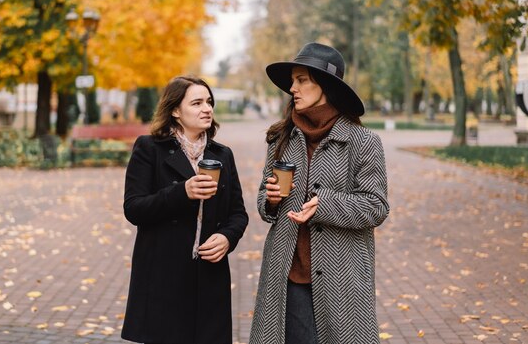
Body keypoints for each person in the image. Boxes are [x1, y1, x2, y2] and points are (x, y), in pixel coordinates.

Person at [249, 43, 389, 344]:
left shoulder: (362, 141)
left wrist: (324, 204)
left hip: (343, 278)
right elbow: (263, 202)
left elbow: (376, 206)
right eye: (292, 81)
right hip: (288, 274)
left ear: (324, 85)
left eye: (301, 80)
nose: (292, 87)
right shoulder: (281, 137)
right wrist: (270, 199)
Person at [121, 75, 248, 344]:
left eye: (209, 102)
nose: (207, 109)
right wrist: (182, 192)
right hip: (163, 278)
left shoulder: (222, 155)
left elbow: (238, 213)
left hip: (210, 277)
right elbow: (134, 208)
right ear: (176, 111)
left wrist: (228, 237)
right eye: (197, 103)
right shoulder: (149, 149)